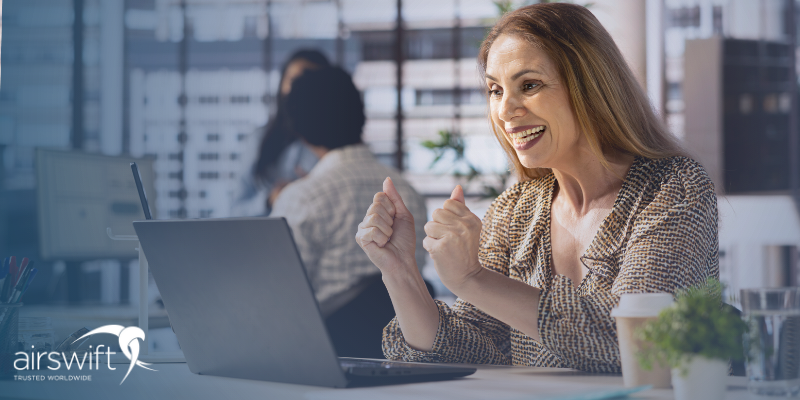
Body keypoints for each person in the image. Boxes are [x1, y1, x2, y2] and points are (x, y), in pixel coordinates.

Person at [355, 3, 718, 372]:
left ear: (590, 87)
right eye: (495, 90)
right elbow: (470, 352)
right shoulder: (515, 210)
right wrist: (401, 272)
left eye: (529, 85)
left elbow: (635, 343)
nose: (505, 110)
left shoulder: (673, 188)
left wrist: (473, 278)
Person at [270, 66, 429, 359]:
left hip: (323, 360)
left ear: (300, 131)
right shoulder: (408, 193)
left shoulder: (300, 198)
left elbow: (279, 303)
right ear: (360, 115)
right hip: (406, 361)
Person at [233, 50, 330, 216]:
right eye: (293, 80)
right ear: (281, 85)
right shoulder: (259, 139)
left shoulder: (332, 145)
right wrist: (270, 199)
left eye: (309, 82)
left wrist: (316, 190)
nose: (298, 90)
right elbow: (234, 211)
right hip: (264, 238)